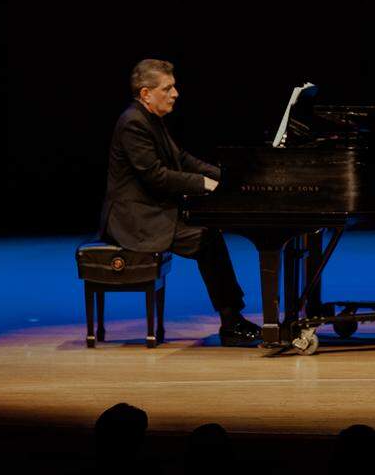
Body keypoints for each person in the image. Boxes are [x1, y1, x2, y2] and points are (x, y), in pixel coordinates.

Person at [99, 58, 261, 346]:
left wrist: (225, 176)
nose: (175, 93)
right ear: (146, 93)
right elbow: (155, 176)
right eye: (167, 88)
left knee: (209, 233)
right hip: (135, 220)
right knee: (206, 238)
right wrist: (203, 184)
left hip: (152, 211)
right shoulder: (133, 123)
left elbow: (182, 159)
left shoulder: (150, 119)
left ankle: (232, 318)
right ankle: (231, 321)